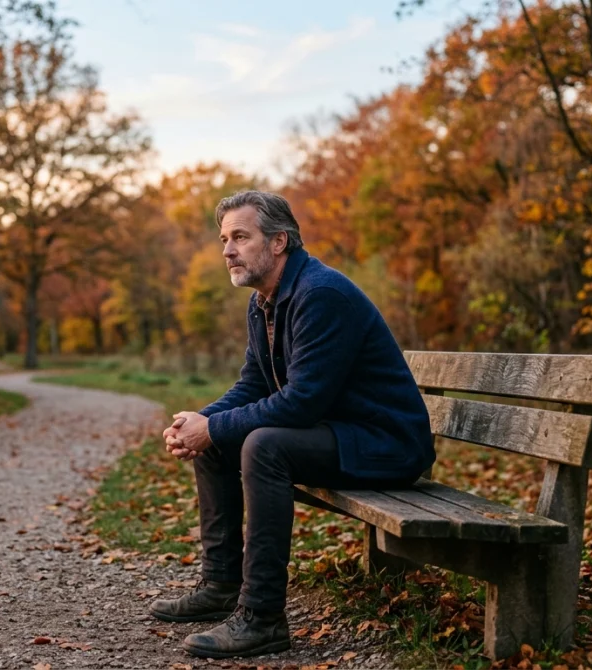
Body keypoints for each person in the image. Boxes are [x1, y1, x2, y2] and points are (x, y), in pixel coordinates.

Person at [149, 190, 435, 660]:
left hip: (387, 444)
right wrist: (199, 422)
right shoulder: (264, 301)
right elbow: (253, 384)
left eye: (240, 237)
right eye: (224, 239)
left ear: (278, 241)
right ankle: (221, 586)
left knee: (263, 445)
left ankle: (262, 618)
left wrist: (213, 427)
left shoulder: (320, 295)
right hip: (342, 434)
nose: (227, 250)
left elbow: (301, 403)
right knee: (220, 440)